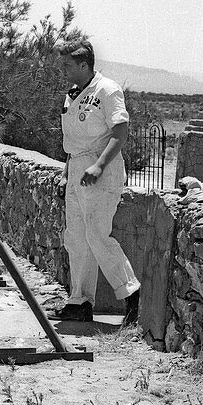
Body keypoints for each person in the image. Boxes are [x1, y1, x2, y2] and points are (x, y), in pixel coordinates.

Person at [51, 38, 141, 325]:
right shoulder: (74, 93)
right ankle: (79, 301)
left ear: (82, 64)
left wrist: (99, 166)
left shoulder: (108, 90)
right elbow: (74, 141)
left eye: (67, 65)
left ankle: (131, 293)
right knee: (76, 238)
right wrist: (67, 173)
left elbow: (120, 132)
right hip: (77, 167)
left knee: (97, 235)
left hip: (101, 170)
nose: (63, 70)